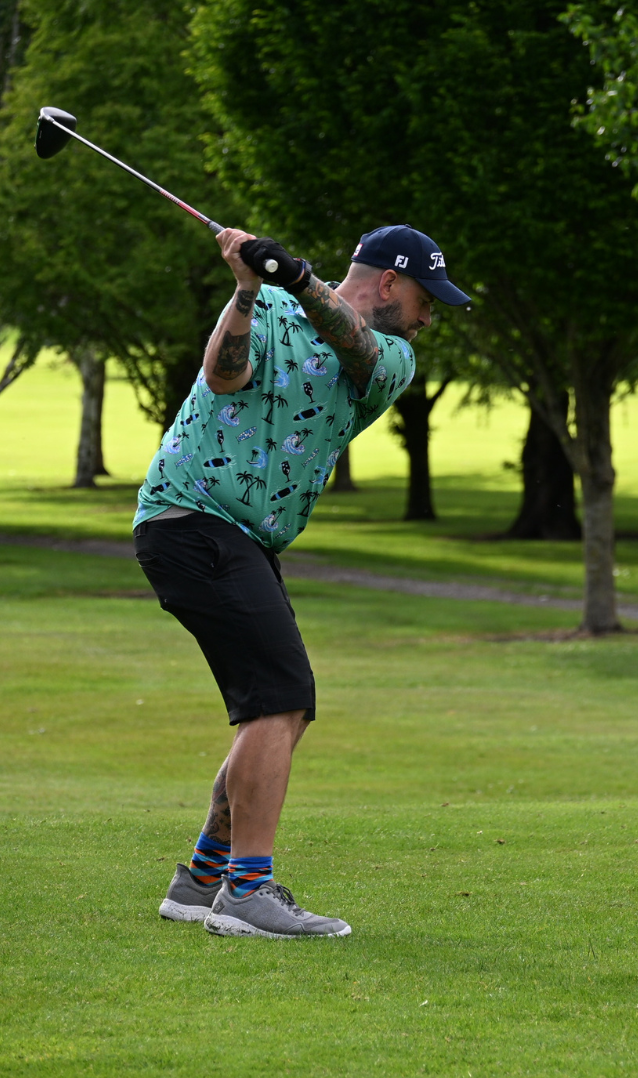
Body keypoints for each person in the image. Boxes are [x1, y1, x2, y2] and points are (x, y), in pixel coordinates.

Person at [133, 224, 470, 939]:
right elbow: (223, 377)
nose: (427, 317)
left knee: (285, 708)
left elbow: (357, 346)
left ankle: (202, 880)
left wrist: (296, 278)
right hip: (193, 516)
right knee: (280, 697)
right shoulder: (267, 309)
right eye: (426, 299)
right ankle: (246, 892)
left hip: (239, 536)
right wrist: (247, 290)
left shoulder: (393, 357)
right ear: (389, 282)